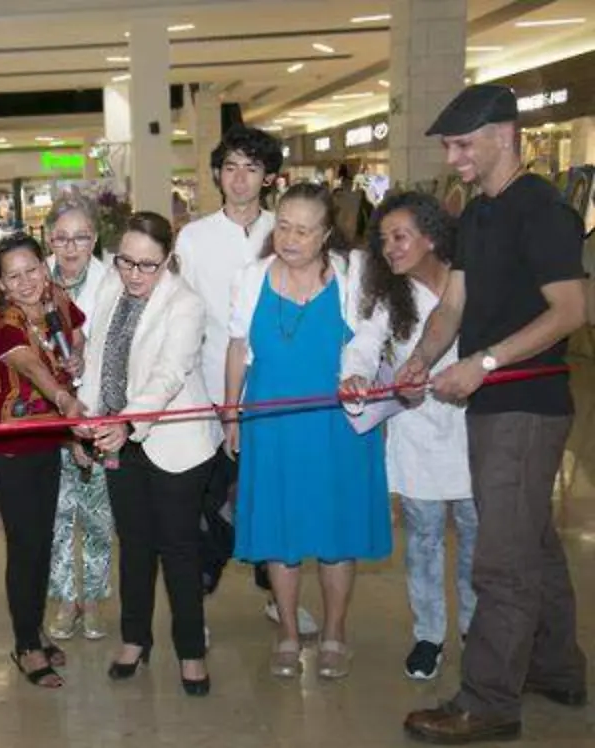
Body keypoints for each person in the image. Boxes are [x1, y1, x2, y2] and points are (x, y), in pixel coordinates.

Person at [401, 84, 589, 744]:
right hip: (495, 406)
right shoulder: (478, 214)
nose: (452, 158)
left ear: (503, 136)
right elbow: (452, 306)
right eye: (449, 146)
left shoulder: (541, 211)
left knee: (500, 563)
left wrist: (482, 364)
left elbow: (570, 311)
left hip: (525, 409)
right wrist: (419, 361)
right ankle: (557, 667)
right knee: (532, 544)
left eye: (461, 144)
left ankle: (488, 701)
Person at [225, 182, 391, 681]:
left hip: (336, 423)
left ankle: (336, 631)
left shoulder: (352, 272)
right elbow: (238, 348)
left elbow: (371, 333)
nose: (290, 238)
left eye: (303, 230)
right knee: (280, 530)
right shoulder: (251, 277)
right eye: (283, 226)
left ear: (325, 236)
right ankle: (289, 634)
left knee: (336, 530)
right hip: (272, 422)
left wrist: (358, 370)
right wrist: (230, 415)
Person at [175, 126, 318, 638]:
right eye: (231, 167)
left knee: (275, 495)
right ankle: (198, 602)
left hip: (278, 392)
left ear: (269, 177)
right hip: (210, 388)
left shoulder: (284, 234)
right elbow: (182, 313)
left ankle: (278, 598)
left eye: (252, 168)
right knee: (206, 502)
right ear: (217, 173)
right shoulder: (193, 237)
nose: (240, 179)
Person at [78, 211, 217, 696]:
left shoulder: (186, 303)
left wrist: (128, 422)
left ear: (168, 261)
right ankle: (135, 638)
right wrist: (90, 422)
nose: (134, 275)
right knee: (134, 545)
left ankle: (191, 652)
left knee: (179, 549)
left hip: (174, 443)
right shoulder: (110, 289)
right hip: (119, 440)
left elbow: (168, 373)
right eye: (126, 262)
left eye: (148, 266)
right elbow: (98, 359)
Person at [339, 193, 475, 681]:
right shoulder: (390, 300)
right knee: (423, 538)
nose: (390, 249)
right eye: (383, 241)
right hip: (416, 434)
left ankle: (475, 630)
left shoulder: (470, 288)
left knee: (478, 538)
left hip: (472, 430)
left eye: (400, 237)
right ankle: (429, 635)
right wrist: (354, 375)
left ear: (432, 237)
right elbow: (364, 344)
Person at [0, 233, 86, 689]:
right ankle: (25, 644)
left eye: (31, 271)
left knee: (41, 540)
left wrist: (78, 355)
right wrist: (64, 397)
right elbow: (30, 367)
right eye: (13, 276)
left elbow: (76, 335)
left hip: (48, 440)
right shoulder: (1, 322)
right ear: (1, 284)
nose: (25, 283)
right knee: (25, 544)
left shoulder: (57, 300)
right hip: (10, 448)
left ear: (44, 269)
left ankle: (34, 627)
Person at [42, 195, 113, 643]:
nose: (71, 248)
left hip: (99, 415)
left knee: (98, 518)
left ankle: (93, 602)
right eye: (62, 238)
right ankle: (66, 600)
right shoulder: (33, 279)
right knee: (58, 516)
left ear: (95, 238)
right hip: (47, 417)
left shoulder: (112, 283)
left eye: (81, 237)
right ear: (50, 239)